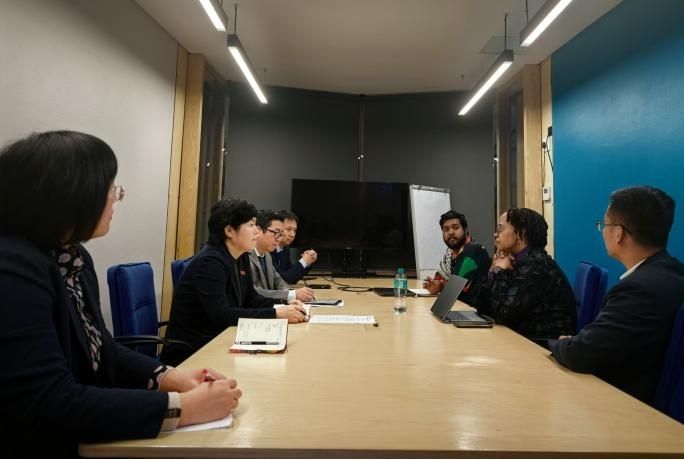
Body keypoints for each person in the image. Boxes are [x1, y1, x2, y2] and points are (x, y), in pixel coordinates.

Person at [0, 131, 241, 457]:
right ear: (73, 193)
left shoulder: (73, 258)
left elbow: (104, 349)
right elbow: (47, 402)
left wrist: (169, 376)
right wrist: (180, 407)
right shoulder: (12, 269)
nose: (116, 198)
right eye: (111, 188)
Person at [550, 186, 684, 404]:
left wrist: (563, 343)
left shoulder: (638, 291)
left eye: (604, 225)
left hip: (628, 406)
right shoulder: (673, 273)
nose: (603, 231)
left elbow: (582, 354)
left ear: (618, 233)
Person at [161, 199, 307, 366]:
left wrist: (284, 305)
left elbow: (251, 298)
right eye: (251, 225)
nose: (257, 231)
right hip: (193, 353)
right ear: (229, 230)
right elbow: (221, 314)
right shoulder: (210, 262)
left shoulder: (241, 256)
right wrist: (275, 314)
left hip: (221, 340)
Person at [477, 208, 576, 342]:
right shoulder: (516, 261)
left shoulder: (536, 265)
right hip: (523, 338)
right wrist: (493, 270)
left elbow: (503, 316)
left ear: (521, 233)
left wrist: (500, 271)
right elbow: (483, 308)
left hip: (544, 345)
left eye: (500, 229)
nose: (495, 234)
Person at [422, 210, 490, 306]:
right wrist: (434, 283)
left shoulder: (473, 251)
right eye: (446, 229)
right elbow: (438, 279)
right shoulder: (449, 255)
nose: (451, 232)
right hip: (458, 307)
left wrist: (441, 286)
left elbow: (454, 289)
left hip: (474, 310)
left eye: (455, 227)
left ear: (465, 229)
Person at [249, 210, 315, 302]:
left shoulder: (267, 255)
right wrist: (292, 295)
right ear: (258, 231)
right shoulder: (245, 256)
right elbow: (253, 292)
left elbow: (279, 281)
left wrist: (291, 297)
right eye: (276, 233)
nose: (278, 239)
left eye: (280, 234)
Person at [271, 210, 317, 284]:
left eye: (295, 230)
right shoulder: (268, 248)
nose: (292, 235)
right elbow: (282, 280)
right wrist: (304, 261)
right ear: (278, 229)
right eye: (288, 229)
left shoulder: (285, 248)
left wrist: (307, 262)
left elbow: (292, 278)